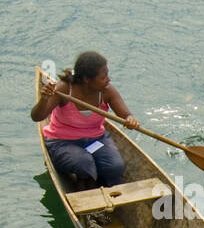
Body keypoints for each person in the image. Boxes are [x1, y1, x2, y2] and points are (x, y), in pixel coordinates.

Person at [31, 52, 138, 192]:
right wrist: (44, 99)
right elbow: (37, 117)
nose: (108, 79)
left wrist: (130, 119)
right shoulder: (64, 89)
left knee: (114, 167)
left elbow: (126, 114)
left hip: (96, 140)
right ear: (87, 79)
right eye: (103, 77)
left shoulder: (106, 91)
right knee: (84, 164)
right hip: (62, 142)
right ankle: (85, 181)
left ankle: (92, 181)